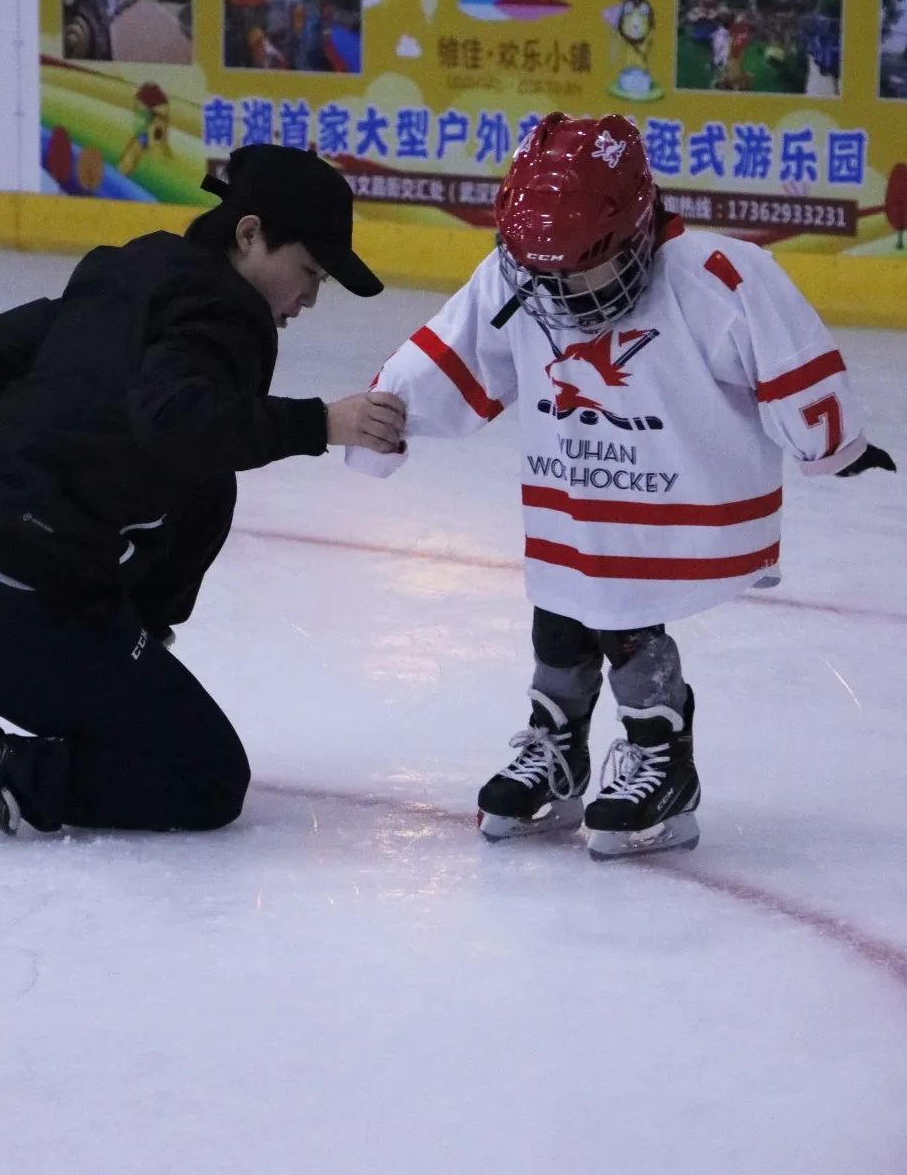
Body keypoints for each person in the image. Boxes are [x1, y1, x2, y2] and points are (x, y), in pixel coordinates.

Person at [347, 113, 895, 859]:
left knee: (628, 616)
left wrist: (830, 442)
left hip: (684, 500)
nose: (563, 291)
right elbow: (454, 352)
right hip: (570, 497)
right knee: (561, 612)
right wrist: (382, 417)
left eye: (586, 268)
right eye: (544, 272)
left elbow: (789, 358)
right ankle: (558, 748)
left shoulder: (715, 275)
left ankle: (662, 758)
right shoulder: (519, 277)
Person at [0, 146, 405, 843]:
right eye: (309, 271)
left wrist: (60, 454)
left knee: (204, 482)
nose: (310, 298)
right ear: (250, 234)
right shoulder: (227, 314)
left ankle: (4, 723)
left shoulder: (132, 268)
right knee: (206, 776)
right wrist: (322, 423)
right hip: (19, 615)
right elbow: (178, 419)